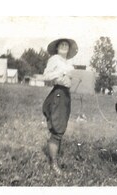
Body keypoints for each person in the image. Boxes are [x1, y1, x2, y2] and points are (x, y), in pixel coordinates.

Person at [42, 38, 78, 175]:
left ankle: (54, 157)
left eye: (66, 45)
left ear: (69, 49)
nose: (64, 46)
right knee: (57, 129)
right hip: (58, 93)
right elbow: (46, 76)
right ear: (57, 48)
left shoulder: (69, 63)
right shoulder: (54, 59)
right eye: (61, 44)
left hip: (66, 95)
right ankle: (53, 164)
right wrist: (62, 73)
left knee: (61, 128)